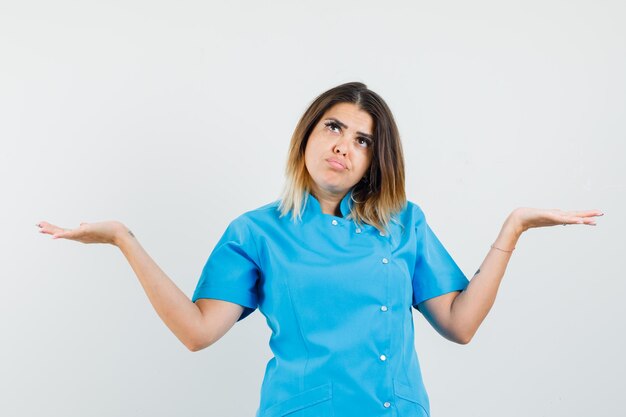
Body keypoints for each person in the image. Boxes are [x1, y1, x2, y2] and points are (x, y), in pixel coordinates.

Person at [37, 81, 603, 417]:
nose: (344, 147)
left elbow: (459, 323)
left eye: (363, 140)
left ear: (373, 160)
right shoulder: (257, 232)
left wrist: (514, 229)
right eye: (333, 127)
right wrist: (123, 240)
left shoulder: (404, 224)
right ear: (307, 134)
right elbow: (196, 331)